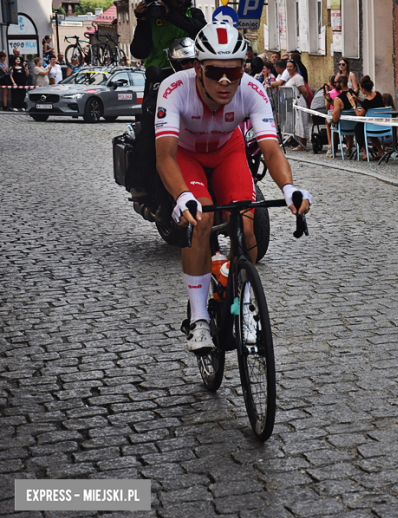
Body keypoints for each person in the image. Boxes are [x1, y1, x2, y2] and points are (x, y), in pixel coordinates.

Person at [155, 23, 311, 354]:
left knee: (247, 222)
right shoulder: (173, 89)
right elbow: (165, 156)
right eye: (214, 72)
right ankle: (198, 319)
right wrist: (183, 197)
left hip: (228, 152)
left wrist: (289, 189)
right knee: (202, 220)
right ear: (198, 68)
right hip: (187, 155)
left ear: (243, 68)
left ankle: (246, 302)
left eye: (234, 71)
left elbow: (271, 149)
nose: (225, 80)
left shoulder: (253, 90)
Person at [128, 0, 206, 200]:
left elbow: (200, 30)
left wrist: (170, 14)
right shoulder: (152, 18)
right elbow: (139, 52)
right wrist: (143, 20)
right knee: (151, 126)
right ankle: (139, 181)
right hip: (159, 78)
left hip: (193, 76)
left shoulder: (194, 14)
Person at [347, 75, 385, 160]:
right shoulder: (378, 95)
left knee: (358, 128)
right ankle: (380, 151)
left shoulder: (366, 103)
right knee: (364, 128)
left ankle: (365, 152)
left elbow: (360, 115)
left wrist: (353, 104)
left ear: (363, 89)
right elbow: (370, 104)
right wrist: (358, 100)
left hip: (372, 125)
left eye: (360, 87)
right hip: (382, 124)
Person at [284, 59, 311, 151]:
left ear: (295, 67)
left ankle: (302, 144)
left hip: (299, 101)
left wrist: (302, 101)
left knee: (301, 122)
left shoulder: (297, 78)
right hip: (292, 102)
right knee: (296, 122)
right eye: (287, 66)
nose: (289, 68)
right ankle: (298, 142)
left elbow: (304, 91)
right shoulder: (290, 77)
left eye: (291, 66)